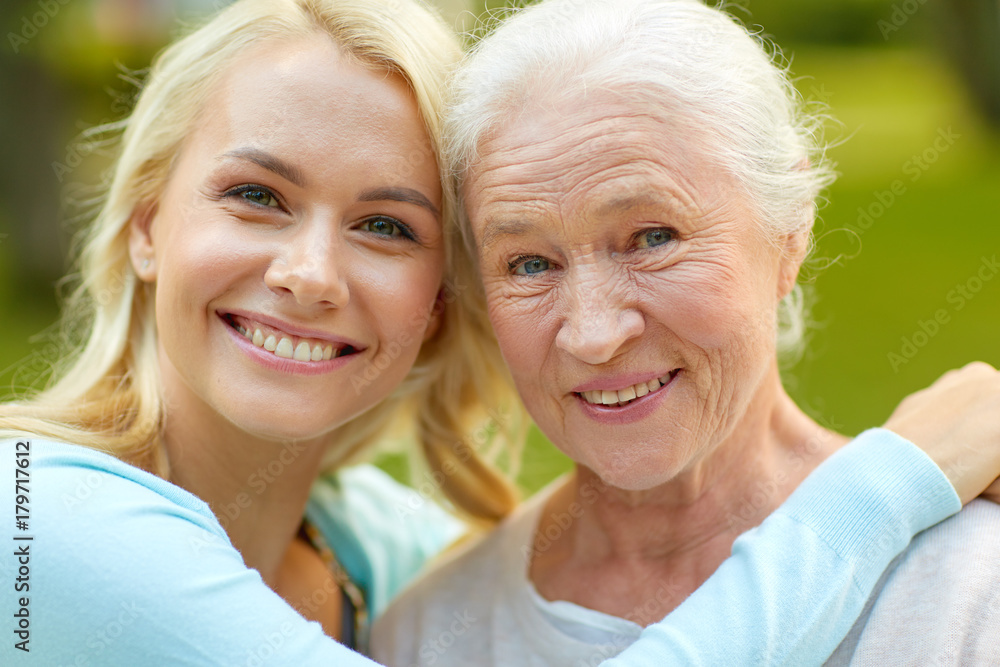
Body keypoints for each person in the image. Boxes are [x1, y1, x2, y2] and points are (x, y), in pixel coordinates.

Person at [0, 0, 997, 665]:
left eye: (386, 225)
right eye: (256, 195)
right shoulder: (33, 523)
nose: (307, 273)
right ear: (144, 225)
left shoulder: (376, 563)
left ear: (438, 300)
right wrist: (889, 481)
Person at [370, 1, 1000, 665]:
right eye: (529, 263)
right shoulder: (429, 633)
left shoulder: (973, 586)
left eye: (652, 237)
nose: (592, 333)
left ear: (789, 232)